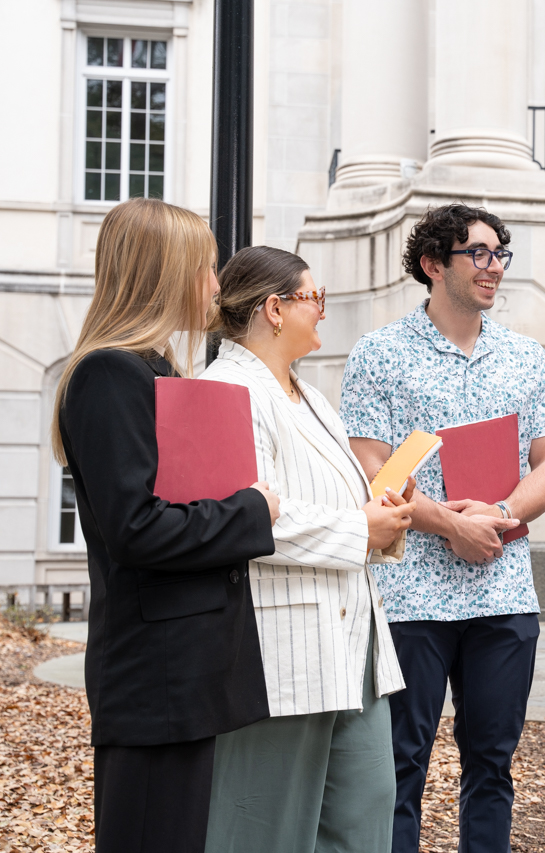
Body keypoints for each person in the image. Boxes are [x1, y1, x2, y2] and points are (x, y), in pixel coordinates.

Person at [51, 198, 281, 852]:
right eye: (205, 268)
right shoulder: (109, 373)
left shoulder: (152, 371)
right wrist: (252, 510)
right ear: (163, 273)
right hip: (156, 681)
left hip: (180, 674)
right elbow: (137, 527)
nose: (215, 284)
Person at [340, 203, 545, 853]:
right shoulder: (378, 354)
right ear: (433, 264)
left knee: (492, 767)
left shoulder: (525, 357)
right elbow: (371, 467)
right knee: (399, 766)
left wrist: (502, 515)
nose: (493, 267)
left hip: (504, 591)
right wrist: (447, 525)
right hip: (411, 593)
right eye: (479, 253)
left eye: (500, 254)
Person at [200, 246, 417, 852]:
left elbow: (338, 503)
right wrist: (359, 529)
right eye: (314, 298)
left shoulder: (313, 397)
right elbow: (248, 515)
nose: (323, 310)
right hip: (280, 653)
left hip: (356, 649)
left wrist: (386, 511)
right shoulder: (225, 390)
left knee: (364, 822)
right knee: (264, 831)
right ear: (275, 308)